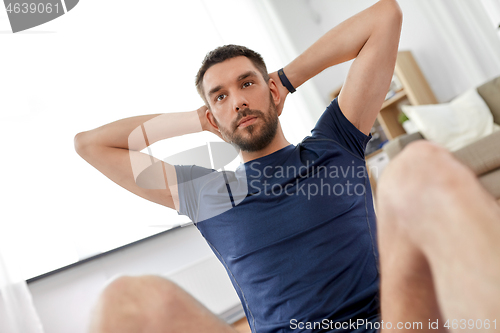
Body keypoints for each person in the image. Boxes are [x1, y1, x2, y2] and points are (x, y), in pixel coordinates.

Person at [75, 0, 498, 331]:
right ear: (212, 116)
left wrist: (286, 78)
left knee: (421, 165)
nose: (238, 100)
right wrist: (198, 119)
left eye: (247, 84)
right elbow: (91, 145)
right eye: (219, 96)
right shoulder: (207, 193)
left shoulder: (335, 141)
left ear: (272, 92)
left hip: (386, 325)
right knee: (125, 299)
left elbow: (384, 15)